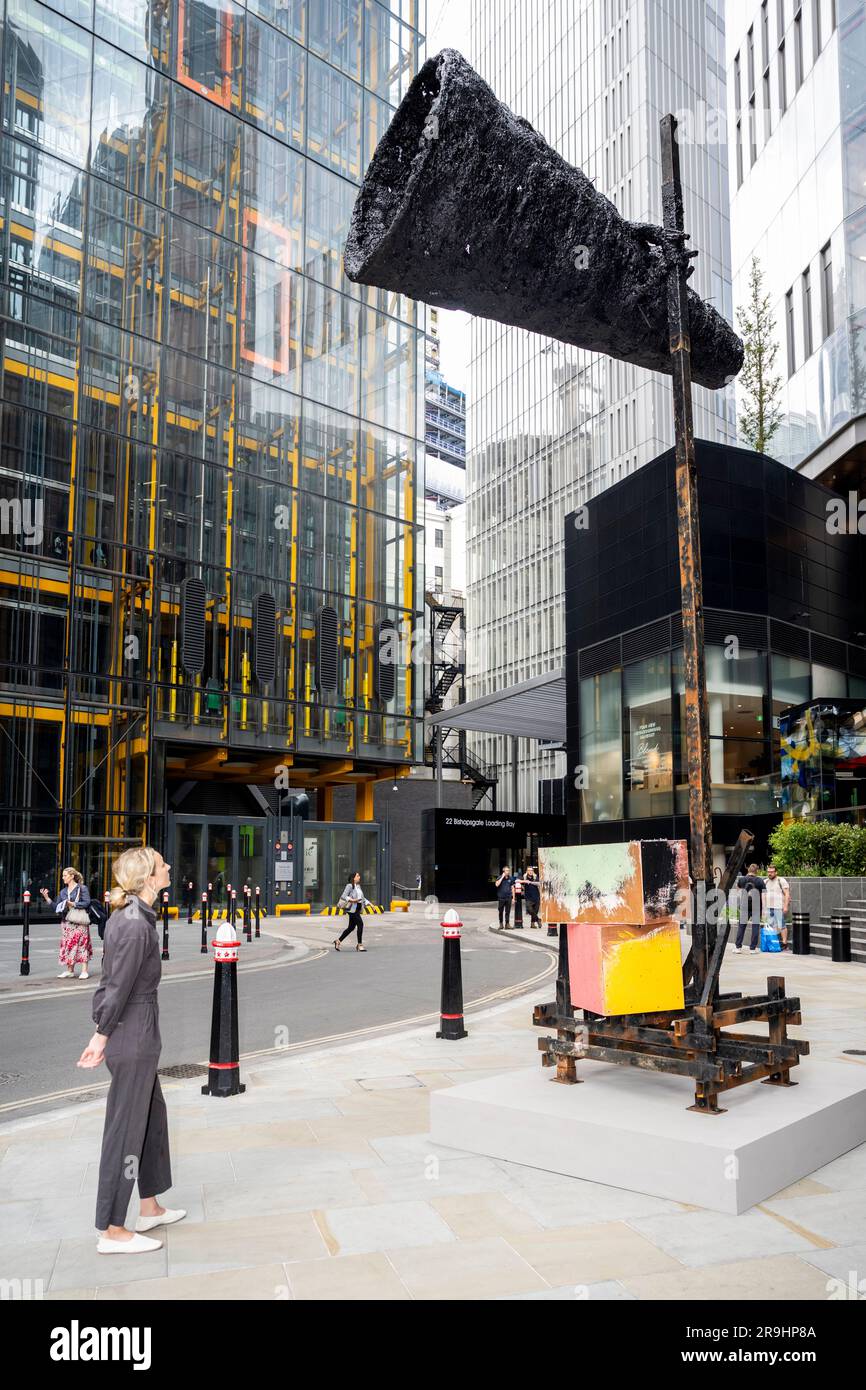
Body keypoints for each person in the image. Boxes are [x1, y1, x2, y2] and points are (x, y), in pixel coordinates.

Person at [77, 846, 185, 1254]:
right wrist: (101, 1036)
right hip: (133, 1031)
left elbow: (108, 982)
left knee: (151, 1116)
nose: (169, 865)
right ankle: (111, 1229)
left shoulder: (132, 918)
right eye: (162, 864)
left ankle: (150, 1206)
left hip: (136, 1028)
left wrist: (105, 1027)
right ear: (148, 878)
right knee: (125, 1129)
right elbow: (117, 986)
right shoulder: (135, 924)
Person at [42, 867, 93, 980]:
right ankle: (70, 971)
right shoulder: (63, 892)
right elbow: (57, 907)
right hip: (67, 922)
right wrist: (47, 898)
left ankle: (84, 971)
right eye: (63, 875)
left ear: (72, 876)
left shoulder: (82, 888)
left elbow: (87, 903)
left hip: (80, 921)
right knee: (68, 945)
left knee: (82, 944)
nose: (63, 877)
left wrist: (73, 904)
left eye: (65, 875)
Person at [334, 871, 371, 951]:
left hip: (357, 909)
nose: (359, 877)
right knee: (360, 924)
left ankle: (338, 941)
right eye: (358, 876)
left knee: (351, 927)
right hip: (352, 910)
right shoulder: (349, 886)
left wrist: (370, 904)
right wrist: (352, 900)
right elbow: (343, 896)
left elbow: (362, 899)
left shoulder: (358, 886)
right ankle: (359, 945)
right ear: (353, 878)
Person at [735, 862, 765, 953]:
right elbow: (763, 895)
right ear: (757, 871)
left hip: (744, 905)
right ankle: (752, 949)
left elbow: (738, 890)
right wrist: (763, 908)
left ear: (748, 870)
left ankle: (738, 948)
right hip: (756, 905)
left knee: (741, 926)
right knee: (755, 926)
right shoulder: (760, 881)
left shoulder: (742, 879)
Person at [765, 863, 791, 949]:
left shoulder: (781, 880)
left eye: (772, 872)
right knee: (771, 925)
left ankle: (784, 943)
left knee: (781, 925)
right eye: (768, 872)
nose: (770, 873)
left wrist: (786, 906)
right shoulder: (766, 881)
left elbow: (787, 894)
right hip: (769, 907)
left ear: (776, 872)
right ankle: (774, 942)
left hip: (779, 906)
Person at [495, 865, 515, 929]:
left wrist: (513, 898)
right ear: (503, 871)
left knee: (507, 911)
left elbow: (512, 888)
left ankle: (507, 924)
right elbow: (497, 885)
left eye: (508, 870)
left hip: (508, 897)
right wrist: (502, 877)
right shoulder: (499, 877)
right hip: (501, 898)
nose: (508, 872)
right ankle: (501, 924)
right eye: (506, 870)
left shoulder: (511, 878)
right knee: (500, 911)